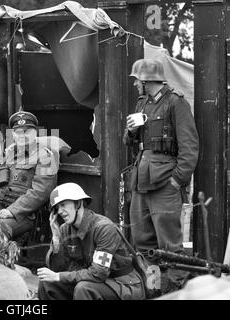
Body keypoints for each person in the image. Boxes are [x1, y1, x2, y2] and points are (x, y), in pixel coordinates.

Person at [123, 59, 199, 258]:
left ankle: (173, 286)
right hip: (142, 181)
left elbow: (189, 147)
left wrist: (177, 181)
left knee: (169, 245)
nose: (135, 84)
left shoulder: (176, 102)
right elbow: (128, 141)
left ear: (147, 81)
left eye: (137, 80)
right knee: (142, 241)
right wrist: (131, 131)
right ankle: (152, 287)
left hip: (165, 183)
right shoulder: (142, 103)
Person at [37, 182, 145, 300]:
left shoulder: (104, 228)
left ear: (78, 203)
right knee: (46, 283)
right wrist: (56, 239)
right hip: (92, 281)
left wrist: (58, 276)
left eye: (63, 205)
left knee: (83, 288)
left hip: (121, 284)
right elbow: (57, 269)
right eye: (57, 208)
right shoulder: (65, 229)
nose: (60, 211)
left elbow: (99, 273)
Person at [0, 110, 59, 240]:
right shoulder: (11, 155)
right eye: (18, 132)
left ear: (35, 132)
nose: (22, 135)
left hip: (24, 215)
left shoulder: (45, 156)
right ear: (13, 134)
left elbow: (41, 192)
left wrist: (12, 211)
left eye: (27, 131)